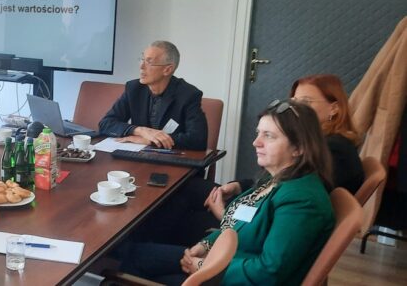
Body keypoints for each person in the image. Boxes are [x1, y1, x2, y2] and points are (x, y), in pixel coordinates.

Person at [119, 100, 335, 285]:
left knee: (133, 267)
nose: (256, 142)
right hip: (227, 260)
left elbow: (269, 273)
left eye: (269, 136)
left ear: (299, 148)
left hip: (233, 276)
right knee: (136, 256)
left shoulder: (302, 200)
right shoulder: (276, 179)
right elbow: (239, 226)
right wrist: (205, 245)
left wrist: (204, 266)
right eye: (258, 133)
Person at [99, 40, 207, 150]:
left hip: (170, 158)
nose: (141, 66)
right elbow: (106, 124)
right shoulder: (134, 89)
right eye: (142, 60)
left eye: (149, 62)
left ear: (167, 69)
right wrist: (140, 131)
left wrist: (151, 141)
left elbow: (198, 140)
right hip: (137, 155)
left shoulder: (188, 94)